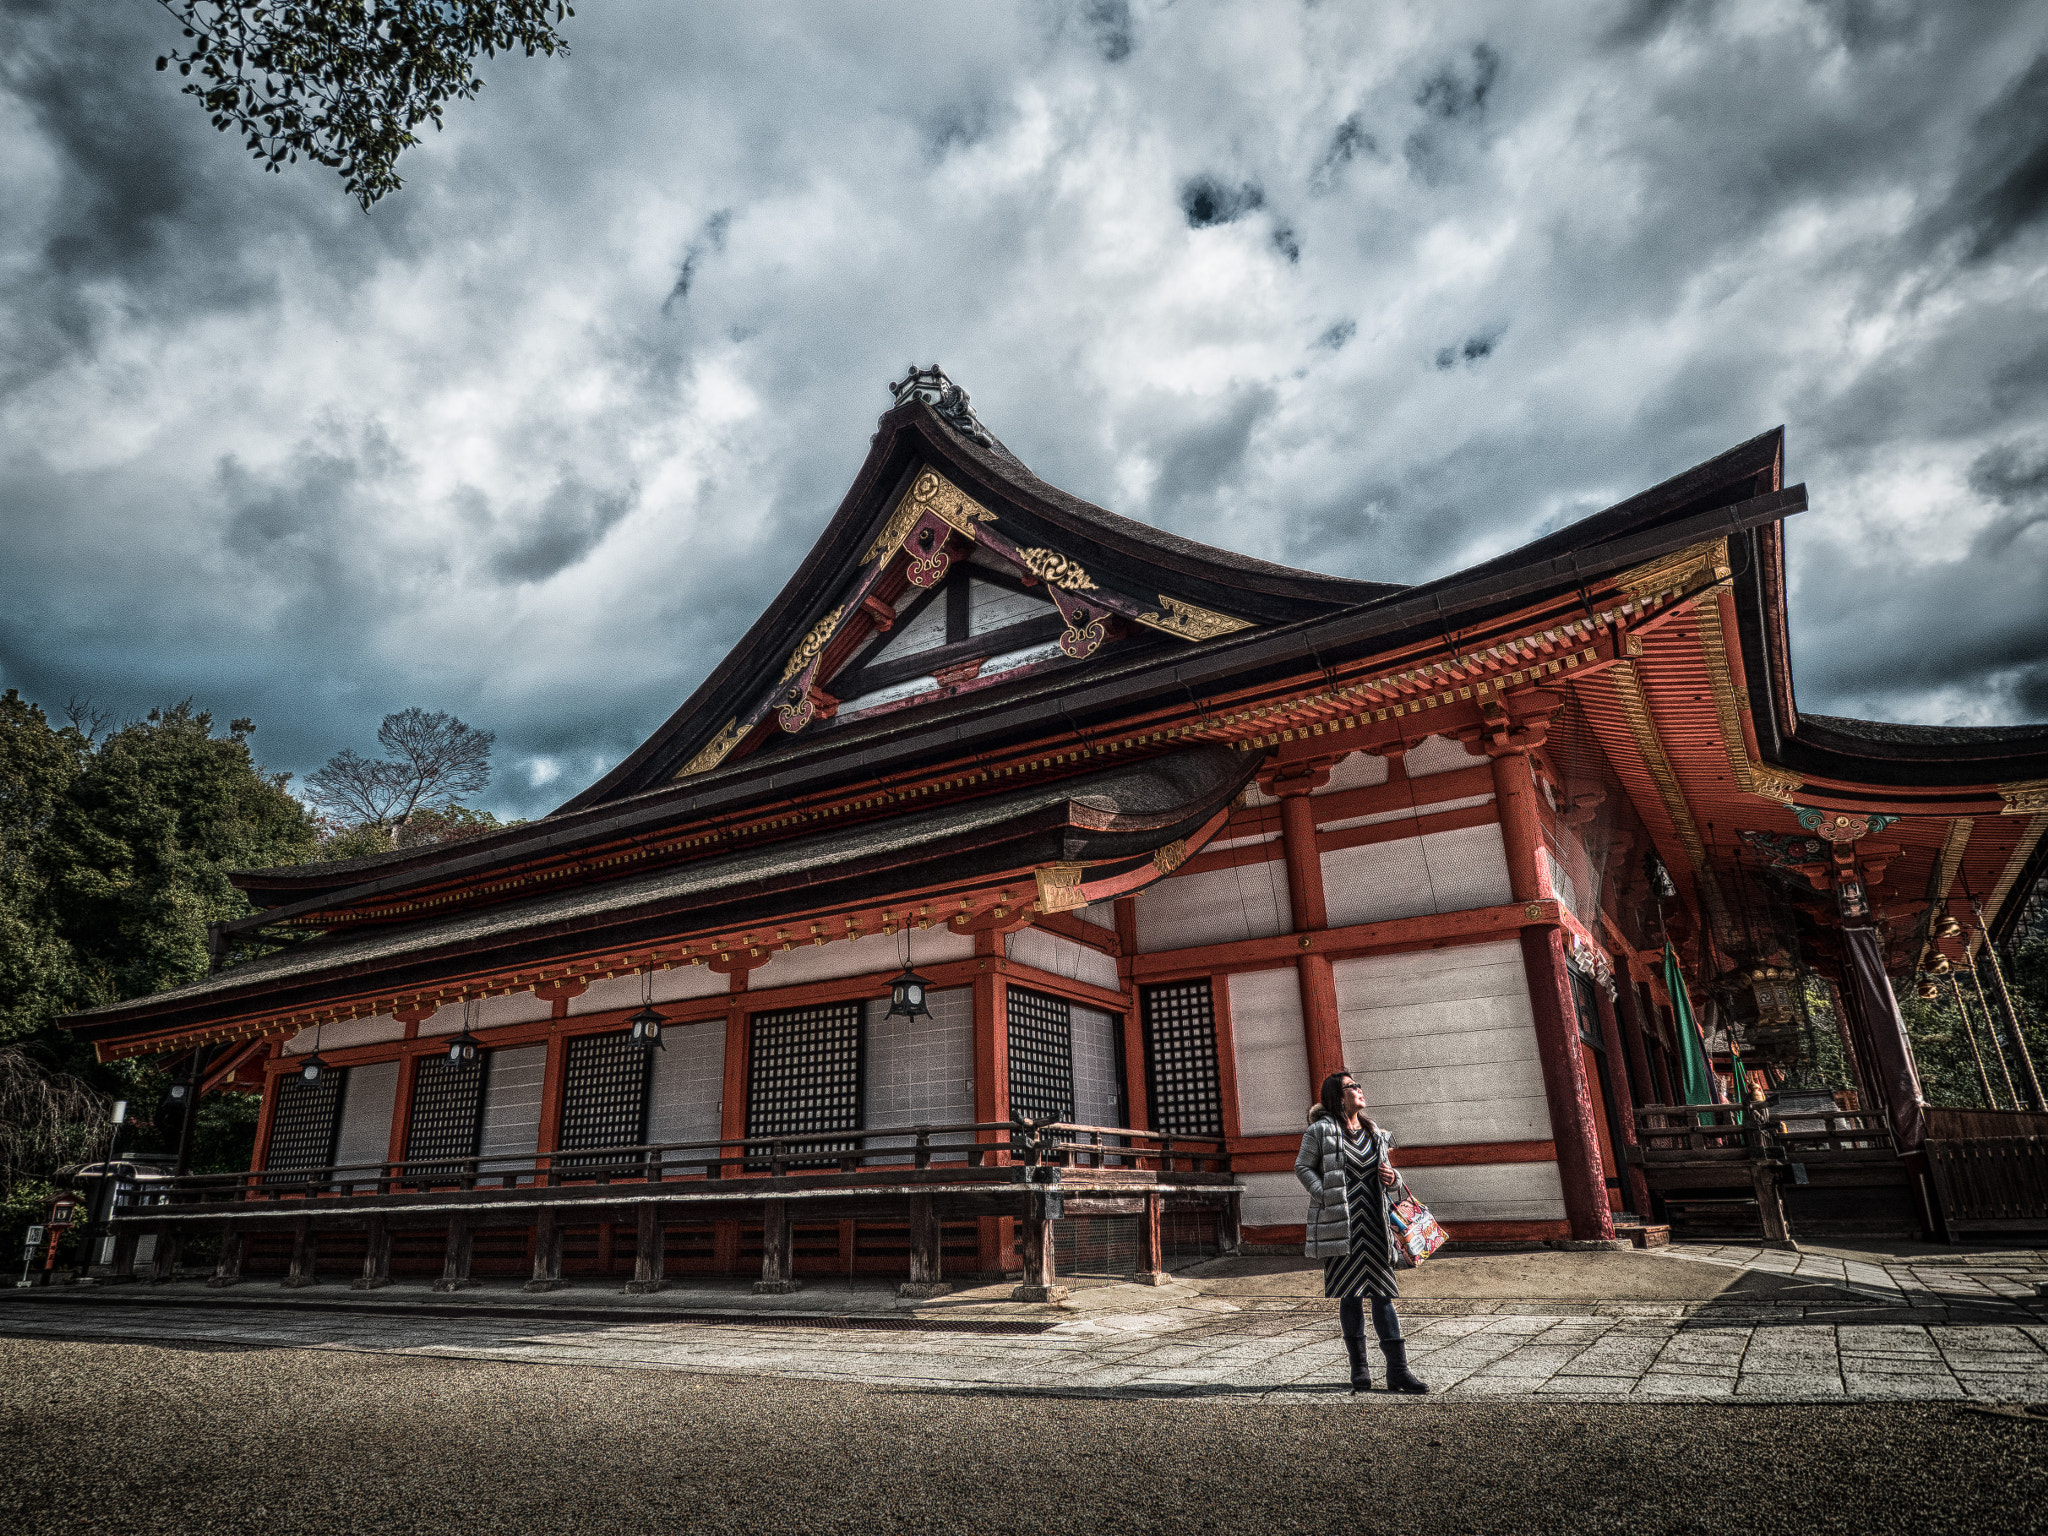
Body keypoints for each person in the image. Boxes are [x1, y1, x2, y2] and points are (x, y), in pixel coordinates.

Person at [1295, 1071, 1428, 1394]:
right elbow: (1303, 1167)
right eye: (1352, 1086)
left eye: (1358, 1085)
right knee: (1350, 1296)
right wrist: (1324, 1194)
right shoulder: (1320, 1131)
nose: (1359, 1090)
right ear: (1338, 1097)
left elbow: (1391, 1179)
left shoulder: (1374, 1132)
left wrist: (1392, 1177)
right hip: (1342, 1226)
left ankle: (1398, 1371)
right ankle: (1360, 1370)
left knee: (1384, 1296)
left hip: (1375, 1223)